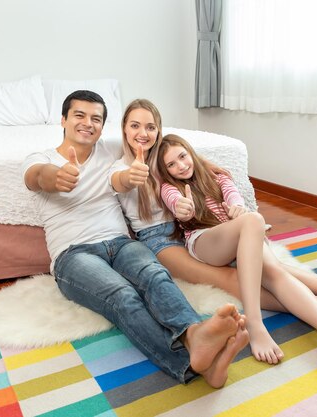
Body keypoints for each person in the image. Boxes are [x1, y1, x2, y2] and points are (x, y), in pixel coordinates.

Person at [22, 90, 248, 388]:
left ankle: (195, 335)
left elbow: (155, 143)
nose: (88, 124)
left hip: (121, 243)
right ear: (63, 120)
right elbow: (36, 177)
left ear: (104, 126)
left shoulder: (109, 148)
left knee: (156, 276)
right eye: (79, 116)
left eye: (96, 119)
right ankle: (190, 366)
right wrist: (57, 176)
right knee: (123, 296)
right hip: (73, 254)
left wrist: (201, 162)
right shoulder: (39, 159)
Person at [110, 99, 317, 321]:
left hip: (190, 229)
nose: (143, 133)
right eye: (135, 126)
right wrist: (133, 175)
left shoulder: (165, 159)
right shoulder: (120, 169)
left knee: (269, 267)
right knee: (231, 278)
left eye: (150, 126)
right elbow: (121, 182)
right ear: (124, 128)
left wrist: (207, 167)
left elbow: (198, 164)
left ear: (159, 130)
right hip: (160, 241)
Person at [156, 134, 317, 369]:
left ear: (190, 152)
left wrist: (237, 207)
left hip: (238, 233)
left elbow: (233, 196)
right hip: (205, 241)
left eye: (182, 157)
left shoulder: (216, 176)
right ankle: (256, 325)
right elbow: (175, 202)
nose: (181, 166)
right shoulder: (169, 187)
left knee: (274, 271)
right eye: (171, 165)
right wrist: (183, 209)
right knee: (253, 220)